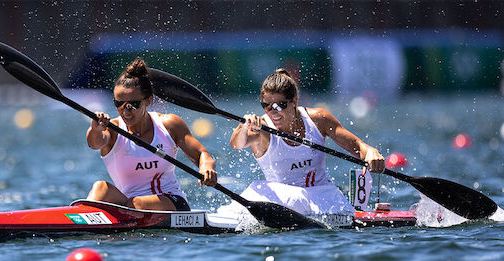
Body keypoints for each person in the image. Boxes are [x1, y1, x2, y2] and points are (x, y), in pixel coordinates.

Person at [228, 68, 385, 217]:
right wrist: (243, 126)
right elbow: (236, 144)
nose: (273, 112)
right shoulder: (261, 129)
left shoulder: (318, 119)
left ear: (294, 101)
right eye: (266, 106)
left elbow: (357, 146)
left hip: (322, 196)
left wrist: (371, 152)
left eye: (279, 105)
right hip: (280, 200)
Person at [86, 58, 217, 211]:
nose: (125, 111)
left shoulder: (169, 124)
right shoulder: (112, 129)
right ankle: (77, 222)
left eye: (132, 104)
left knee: (137, 204)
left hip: (170, 202)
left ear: (148, 101)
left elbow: (201, 154)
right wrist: (95, 128)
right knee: (101, 187)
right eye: (118, 104)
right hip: (128, 204)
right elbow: (95, 143)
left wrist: (207, 168)